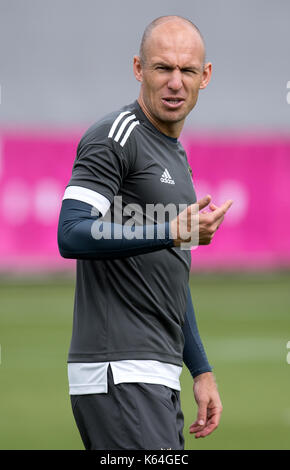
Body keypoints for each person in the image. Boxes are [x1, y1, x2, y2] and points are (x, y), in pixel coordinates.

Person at [57, 15, 232, 450]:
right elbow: (71, 233)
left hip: (156, 371)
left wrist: (201, 369)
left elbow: (171, 276)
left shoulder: (175, 157)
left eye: (187, 70)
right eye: (162, 68)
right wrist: (170, 231)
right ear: (139, 69)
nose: (175, 82)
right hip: (119, 370)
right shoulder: (115, 137)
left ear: (204, 76)